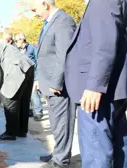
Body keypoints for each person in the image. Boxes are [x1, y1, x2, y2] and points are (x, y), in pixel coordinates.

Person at [65, 0, 127, 167]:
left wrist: (95, 85)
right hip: (110, 87)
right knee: (117, 144)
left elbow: (105, 44)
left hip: (97, 92)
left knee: (96, 151)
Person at [30, 0, 76, 167]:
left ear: (45, 4)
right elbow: (44, 56)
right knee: (56, 124)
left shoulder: (64, 21)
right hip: (48, 84)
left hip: (59, 86)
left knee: (62, 123)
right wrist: (38, 79)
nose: (34, 13)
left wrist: (56, 83)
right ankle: (58, 153)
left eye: (35, 9)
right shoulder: (49, 23)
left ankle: (60, 161)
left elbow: (64, 55)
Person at [15, 33, 43, 121]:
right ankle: (29, 111)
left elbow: (39, 62)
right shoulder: (17, 50)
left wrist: (38, 78)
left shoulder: (32, 48)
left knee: (34, 95)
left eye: (16, 41)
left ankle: (38, 113)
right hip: (23, 77)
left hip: (34, 76)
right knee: (25, 95)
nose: (16, 43)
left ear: (21, 40)